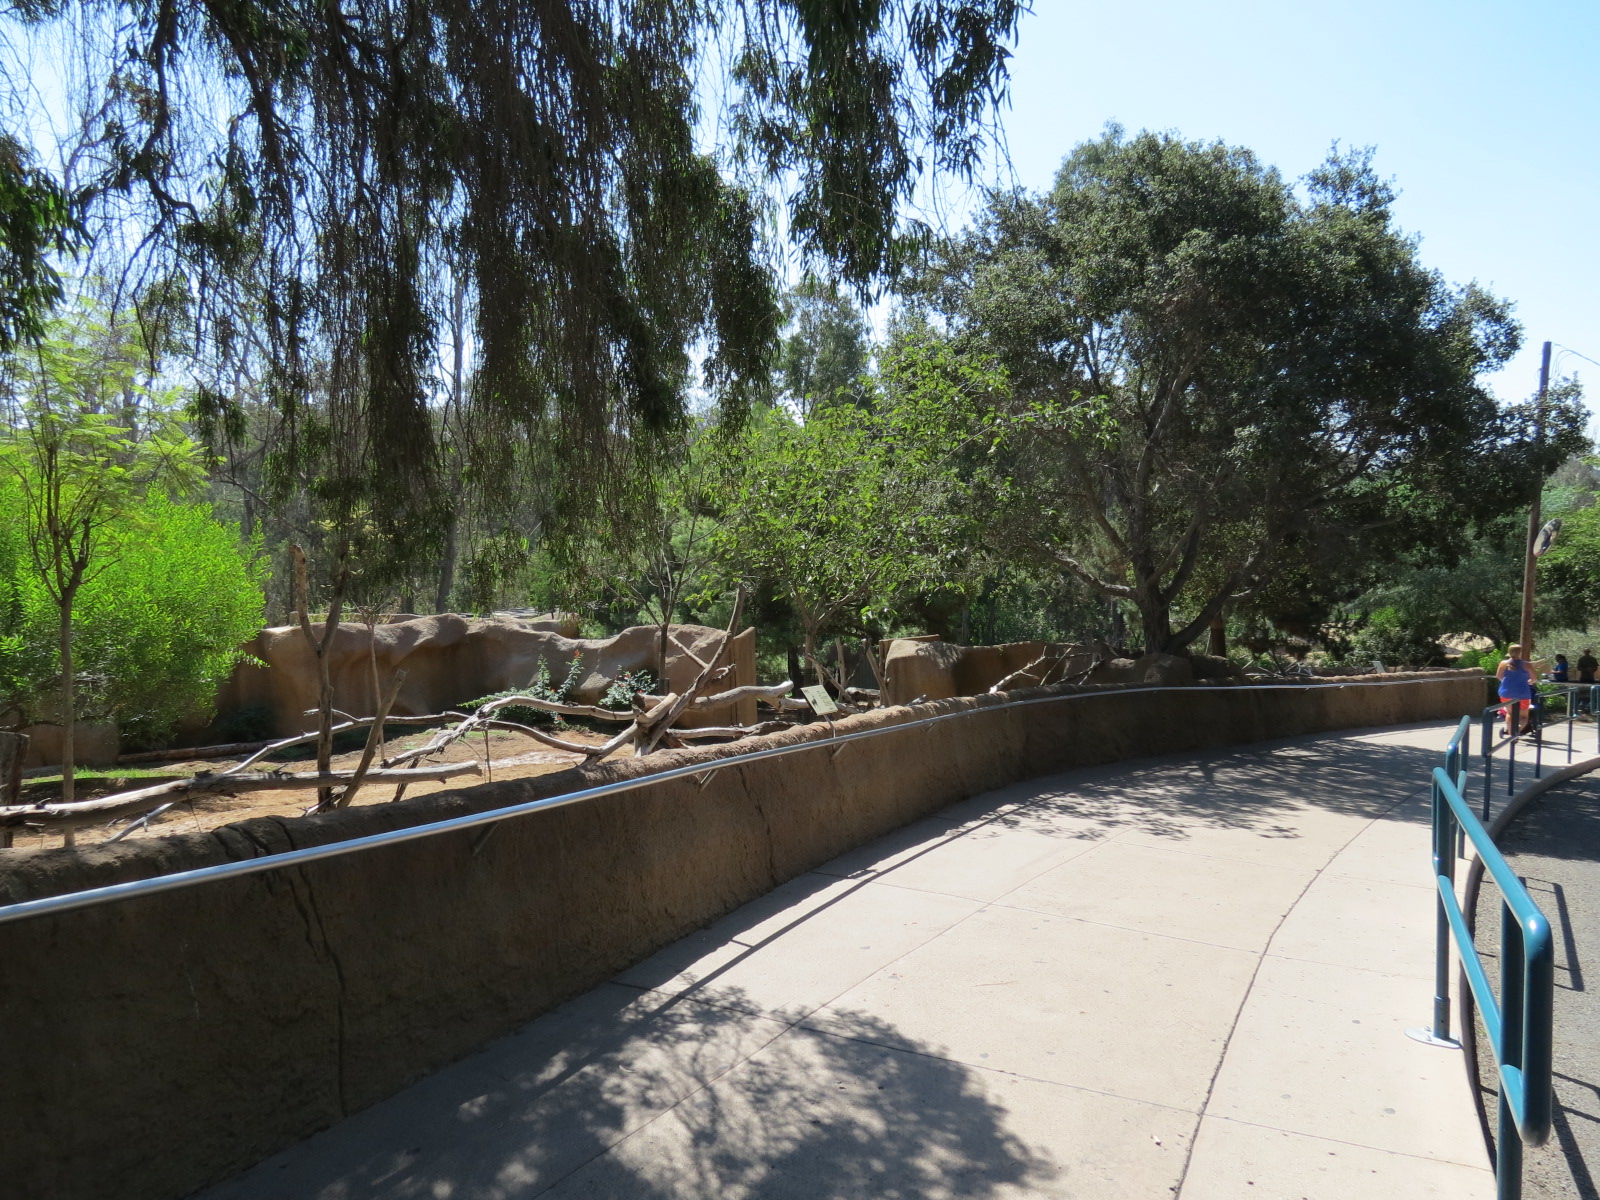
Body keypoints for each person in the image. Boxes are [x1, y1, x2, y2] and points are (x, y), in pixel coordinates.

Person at [1497, 645, 1536, 737]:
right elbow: (1534, 679)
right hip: (1523, 693)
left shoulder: (1503, 663)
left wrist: (1507, 683)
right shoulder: (1527, 665)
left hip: (1506, 693)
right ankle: (1517, 730)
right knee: (1524, 717)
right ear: (1520, 652)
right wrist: (1528, 683)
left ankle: (1511, 734)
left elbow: (1499, 676)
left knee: (1509, 713)